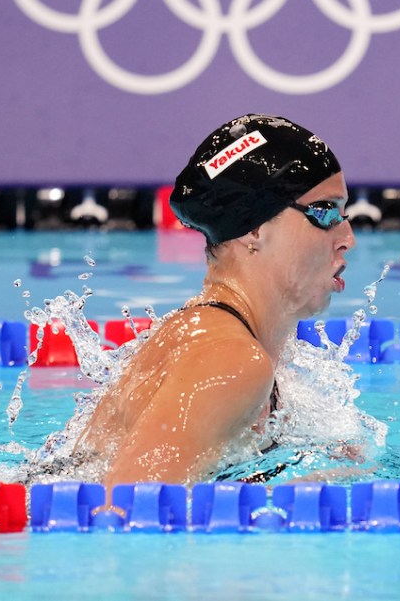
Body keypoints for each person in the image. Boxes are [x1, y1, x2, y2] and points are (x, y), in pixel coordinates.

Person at [71, 114, 356, 487]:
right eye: (324, 213)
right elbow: (128, 511)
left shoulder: (223, 337)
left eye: (343, 213)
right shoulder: (230, 359)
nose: (347, 237)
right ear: (255, 228)